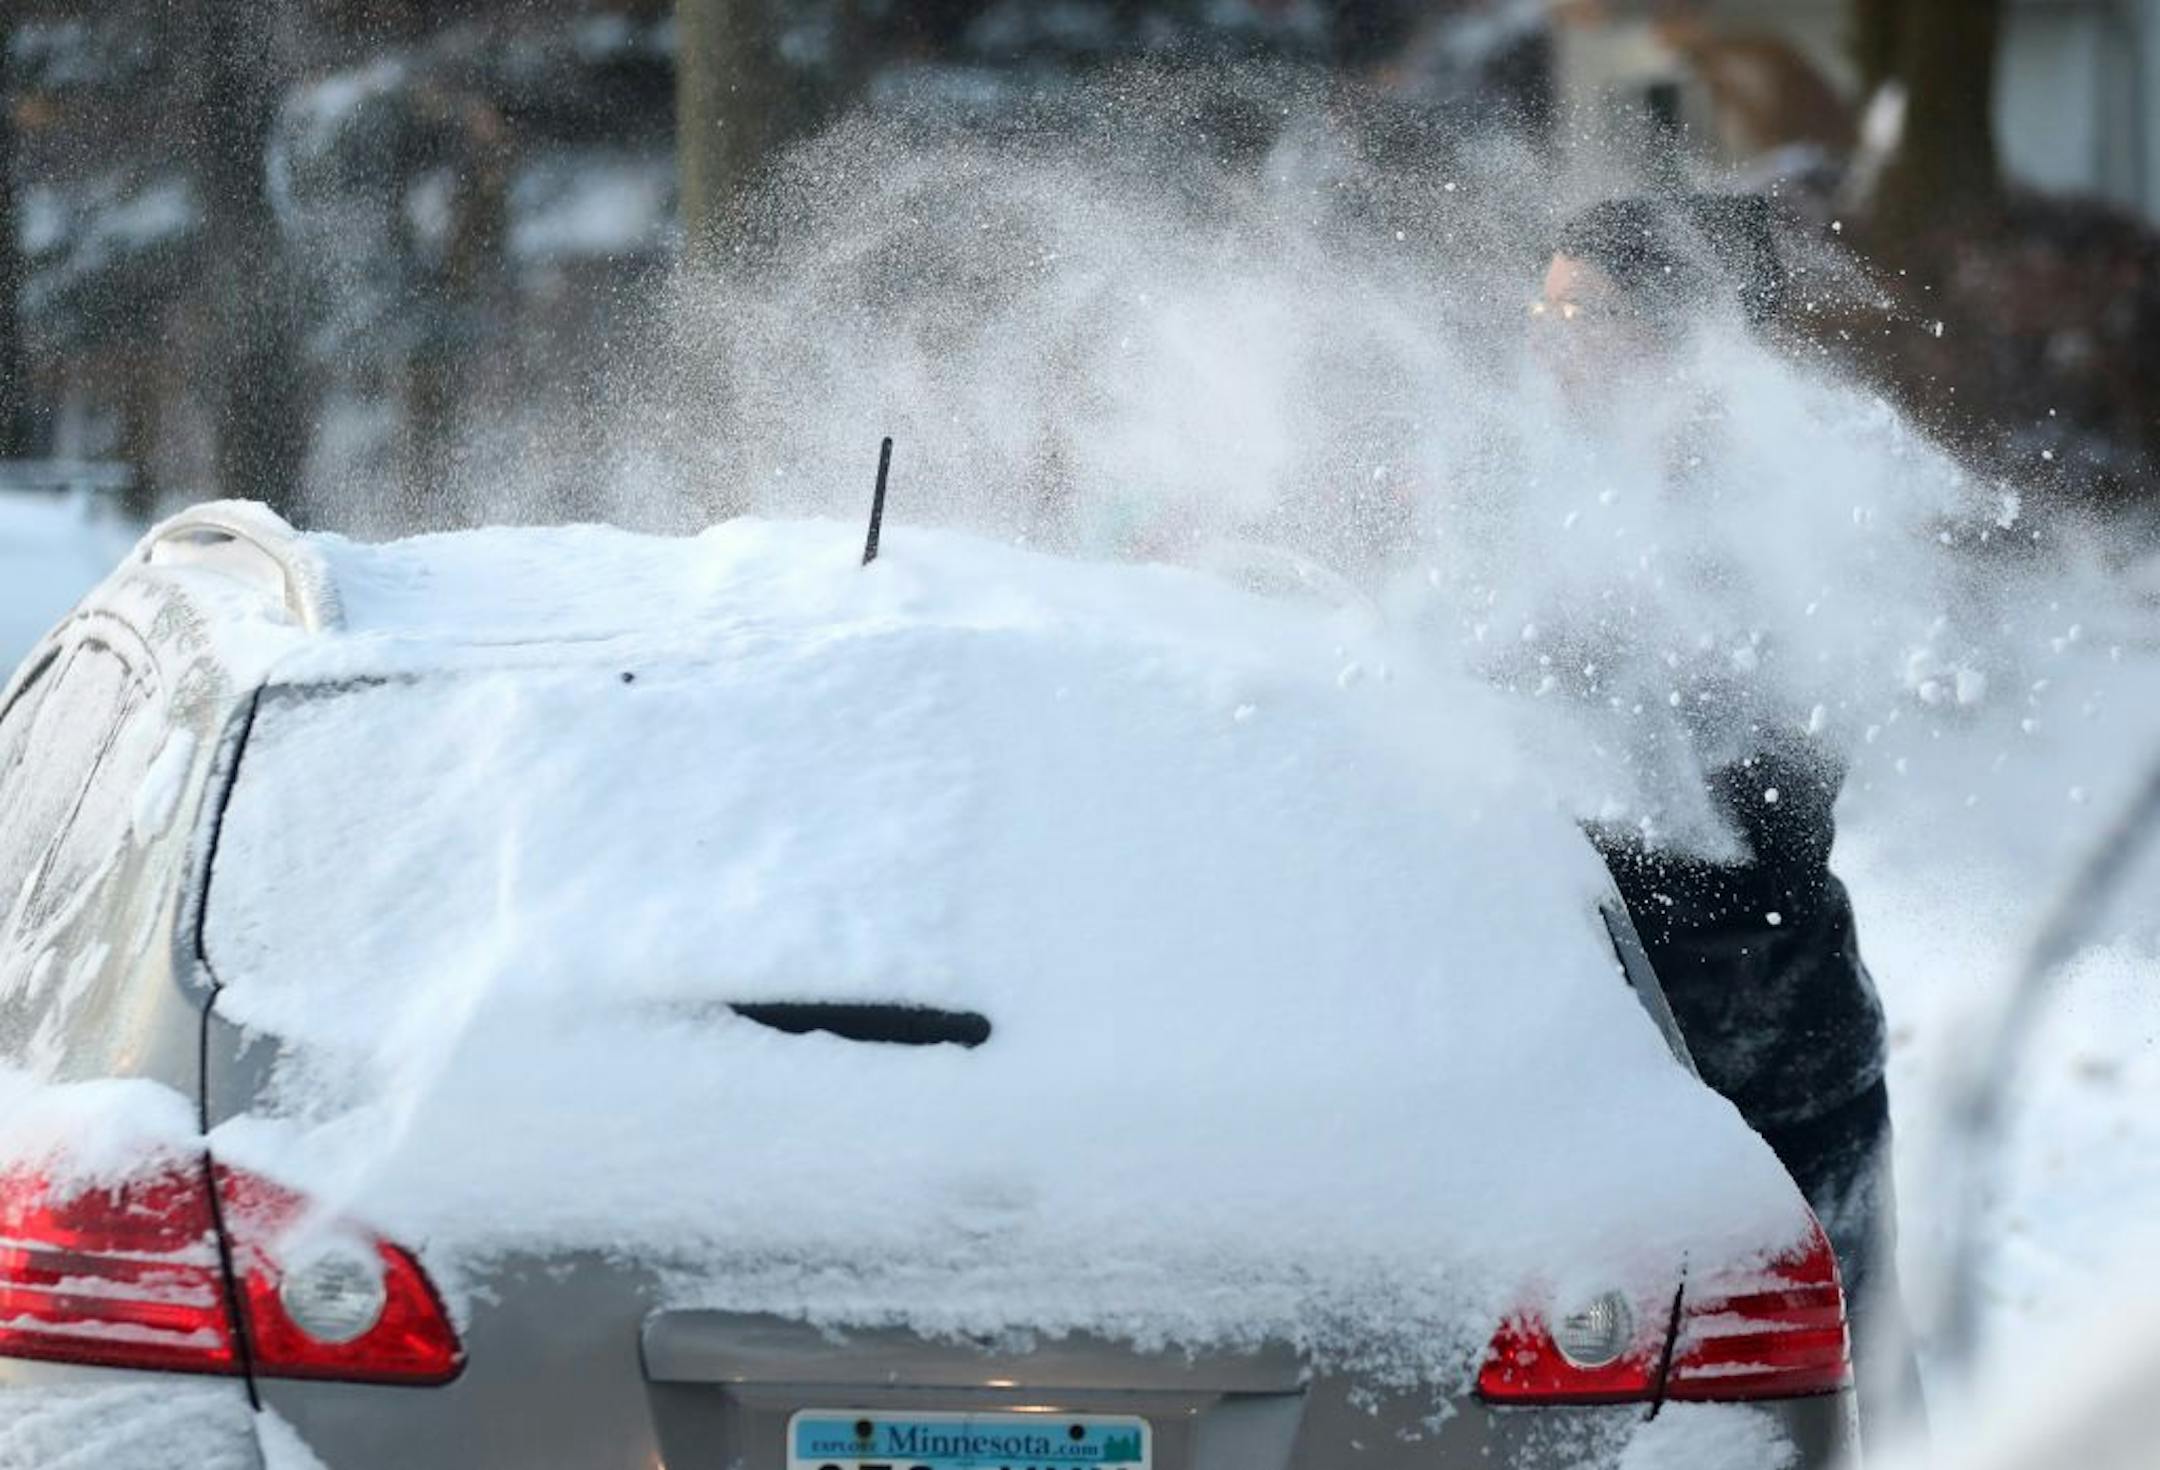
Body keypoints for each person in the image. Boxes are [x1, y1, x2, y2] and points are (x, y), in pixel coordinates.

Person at [1535, 194, 1921, 1447]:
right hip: (1621, 1036)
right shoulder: (1566, 476)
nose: (1551, 338)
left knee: (1796, 1410)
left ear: (1675, 327)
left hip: (1759, 1045)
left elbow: (1769, 805)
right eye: (1545, 307)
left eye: (1583, 311)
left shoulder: (1759, 497)